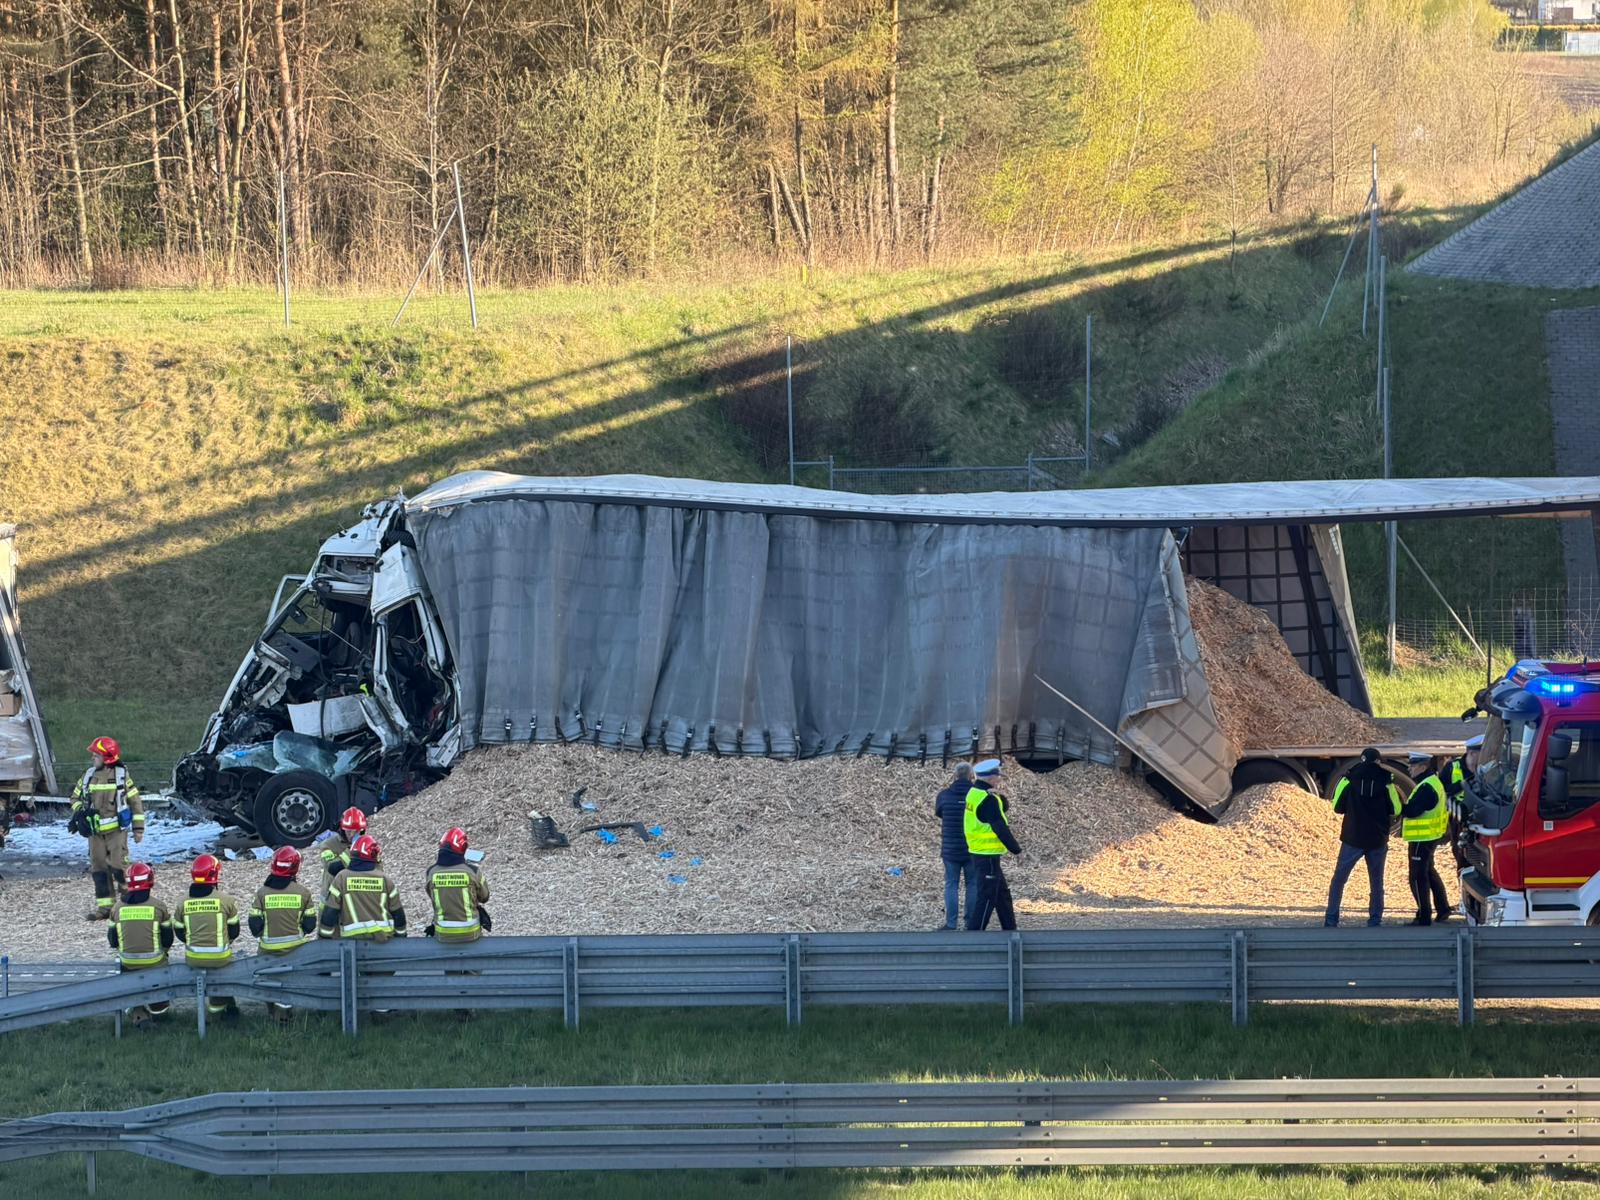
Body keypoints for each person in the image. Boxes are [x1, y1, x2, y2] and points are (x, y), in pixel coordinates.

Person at [68, 736, 144, 920]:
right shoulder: (88, 776)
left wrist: (138, 828)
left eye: (96, 756)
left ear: (107, 758)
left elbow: (135, 802)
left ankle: (128, 902)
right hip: (94, 834)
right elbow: (74, 798)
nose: (92, 759)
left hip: (116, 832)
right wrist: (80, 812)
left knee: (119, 866)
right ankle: (105, 908)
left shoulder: (121, 776)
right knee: (99, 869)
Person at [1324, 748, 1401, 927]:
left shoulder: (1348, 779)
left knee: (1339, 880)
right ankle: (1375, 920)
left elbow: (1337, 807)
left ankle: (1331, 919)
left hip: (1353, 837)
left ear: (1362, 759)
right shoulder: (1387, 782)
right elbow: (1396, 809)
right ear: (1378, 761)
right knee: (1376, 882)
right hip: (1377, 839)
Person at [248, 846, 319, 1023]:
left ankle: (273, 1012)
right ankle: (284, 1016)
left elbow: (254, 926)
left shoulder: (262, 893)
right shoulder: (303, 893)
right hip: (296, 950)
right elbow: (310, 926)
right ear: (295, 868)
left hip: (268, 950)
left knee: (268, 980)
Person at [176, 853, 241, 1018]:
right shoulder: (227, 901)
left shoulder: (182, 902)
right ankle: (222, 1009)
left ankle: (221, 1008)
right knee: (221, 973)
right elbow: (234, 932)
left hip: (193, 959)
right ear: (214, 875)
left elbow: (179, 933)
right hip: (221, 958)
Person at [107, 861, 174, 1022]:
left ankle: (137, 1011)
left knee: (132, 982)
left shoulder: (117, 908)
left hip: (128, 963)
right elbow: (168, 939)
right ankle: (159, 1011)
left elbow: (113, 941)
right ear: (150, 880)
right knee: (160, 991)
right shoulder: (159, 907)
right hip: (155, 963)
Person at [963, 759, 1022, 932]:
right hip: (987, 854)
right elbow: (1000, 828)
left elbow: (1003, 807)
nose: (1000, 780)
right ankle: (974, 935)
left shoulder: (974, 793)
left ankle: (1010, 929)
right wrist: (1017, 851)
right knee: (987, 896)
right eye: (998, 776)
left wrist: (998, 796)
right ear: (990, 778)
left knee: (1002, 894)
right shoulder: (988, 800)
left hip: (980, 852)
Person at [319, 834, 407, 941]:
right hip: (383, 941)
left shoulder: (342, 878)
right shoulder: (384, 879)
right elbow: (398, 913)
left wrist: (324, 937)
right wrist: (401, 936)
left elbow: (330, 912)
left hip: (352, 940)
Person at [1401, 757, 1453, 926]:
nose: (1410, 769)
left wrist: (1398, 805)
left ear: (1423, 767)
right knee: (1429, 872)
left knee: (1417, 877)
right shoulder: (1433, 782)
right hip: (1430, 835)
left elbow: (1412, 811)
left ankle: (1423, 915)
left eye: (1413, 765)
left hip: (1421, 838)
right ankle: (1443, 908)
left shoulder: (1426, 787)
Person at [424, 827, 491, 943]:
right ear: (463, 848)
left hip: (443, 934)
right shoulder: (473, 871)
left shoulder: (431, 872)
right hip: (471, 934)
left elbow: (432, 896)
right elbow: (485, 897)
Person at [934, 763, 979, 930]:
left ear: (954, 776)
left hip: (950, 849)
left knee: (951, 884)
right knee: (972, 884)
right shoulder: (977, 795)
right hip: (972, 847)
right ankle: (971, 923)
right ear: (971, 776)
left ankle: (951, 923)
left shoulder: (944, 796)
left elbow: (939, 813)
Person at [316, 806, 369, 910]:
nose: (352, 835)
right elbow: (332, 867)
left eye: (356, 831)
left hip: (356, 898)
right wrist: (354, 849)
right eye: (349, 831)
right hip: (332, 900)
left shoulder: (368, 845)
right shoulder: (328, 845)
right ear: (342, 829)